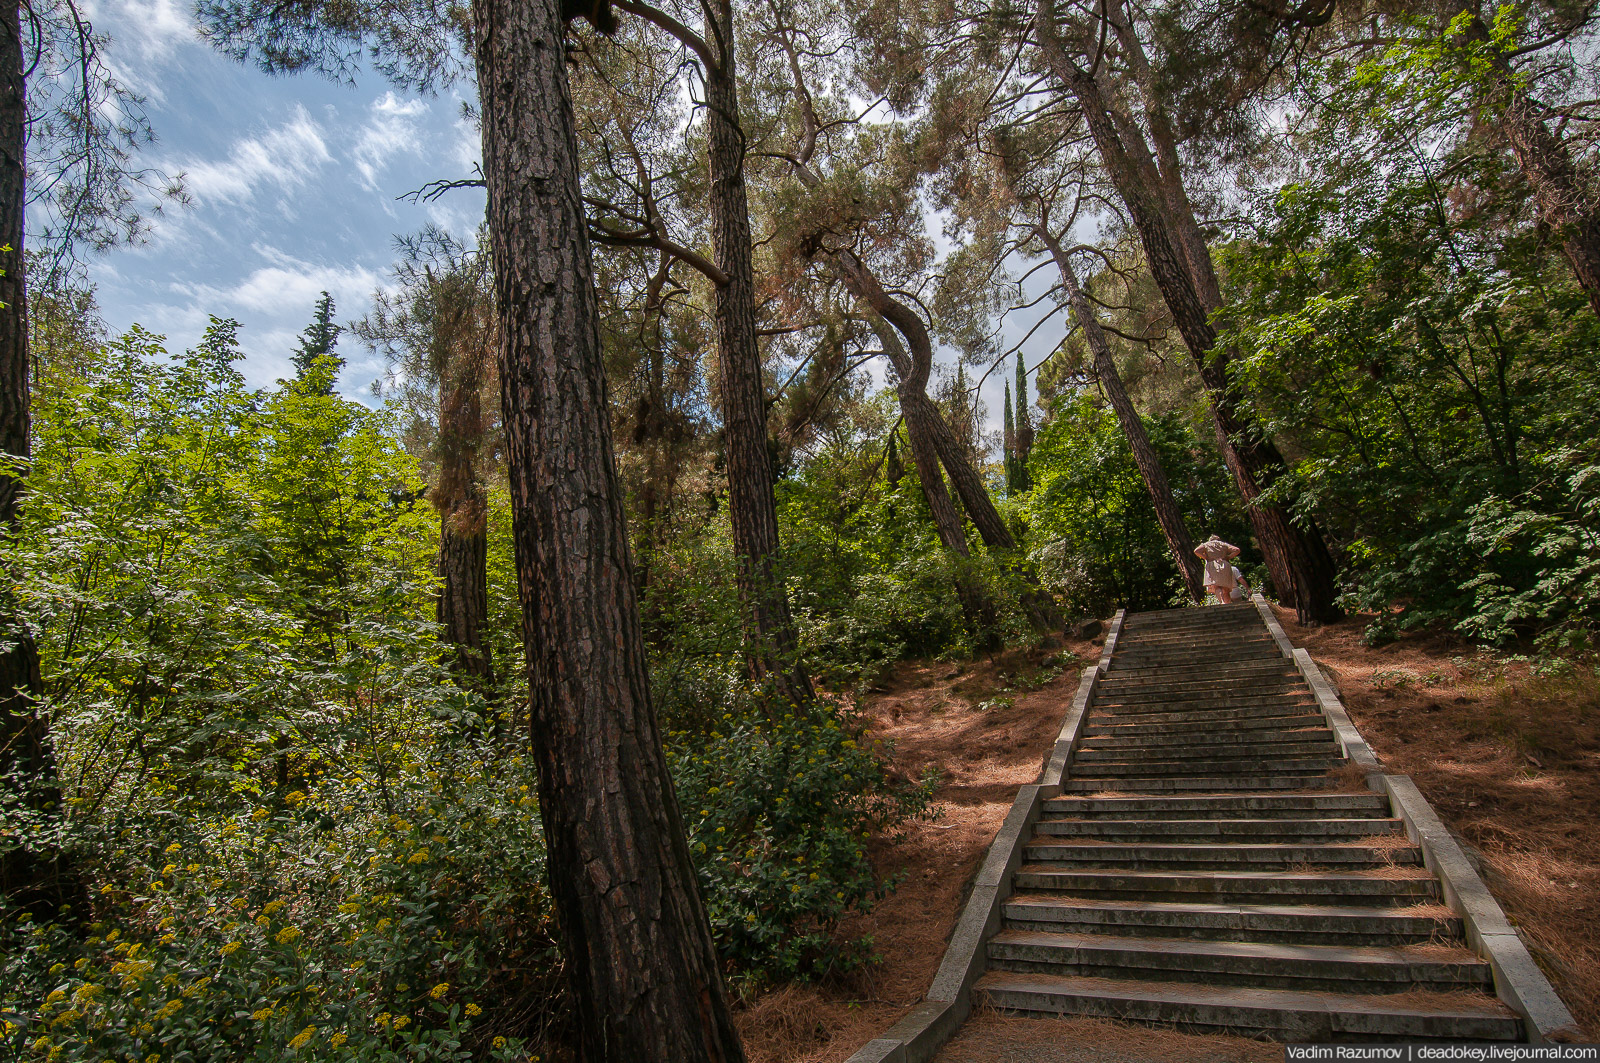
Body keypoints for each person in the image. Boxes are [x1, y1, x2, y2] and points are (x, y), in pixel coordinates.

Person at [1193, 535, 1241, 605]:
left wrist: (1205, 557)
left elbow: (1196, 551)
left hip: (1213, 565)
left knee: (1216, 586)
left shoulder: (1206, 544)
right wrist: (1228, 557)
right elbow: (1237, 550)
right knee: (1226, 586)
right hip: (1224, 564)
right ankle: (1228, 603)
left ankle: (1222, 601)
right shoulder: (1224, 544)